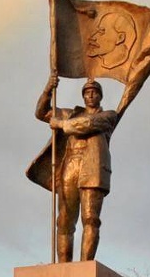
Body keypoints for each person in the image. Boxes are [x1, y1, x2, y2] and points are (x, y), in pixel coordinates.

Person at [33, 74, 123, 263]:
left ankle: (85, 267)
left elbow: (88, 125)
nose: (90, 96)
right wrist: (48, 89)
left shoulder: (109, 116)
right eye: (87, 92)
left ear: (100, 96)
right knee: (64, 221)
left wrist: (62, 125)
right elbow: (41, 113)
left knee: (90, 218)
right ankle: (63, 267)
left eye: (94, 92)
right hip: (70, 166)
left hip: (94, 168)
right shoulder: (70, 113)